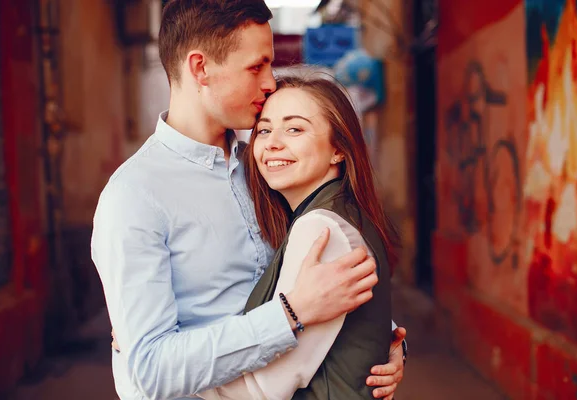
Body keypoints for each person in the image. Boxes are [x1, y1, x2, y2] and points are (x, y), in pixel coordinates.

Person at [92, 1, 406, 399]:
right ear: (200, 68)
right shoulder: (135, 197)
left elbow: (314, 276)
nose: (271, 83)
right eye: (256, 67)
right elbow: (151, 372)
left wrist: (383, 343)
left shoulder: (266, 165)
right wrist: (290, 315)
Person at [195, 75, 400, 400]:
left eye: (295, 129)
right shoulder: (339, 215)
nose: (272, 143)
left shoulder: (320, 230)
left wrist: (165, 361)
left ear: (338, 150)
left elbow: (260, 389)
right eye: (264, 130)